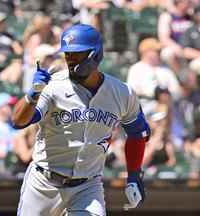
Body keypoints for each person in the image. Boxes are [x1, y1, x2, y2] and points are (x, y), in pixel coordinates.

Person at [11, 24, 150, 216]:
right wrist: (32, 95)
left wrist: (134, 175)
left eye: (76, 54)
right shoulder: (53, 86)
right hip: (44, 183)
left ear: (95, 55)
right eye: (67, 54)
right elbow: (19, 121)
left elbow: (137, 133)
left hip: (87, 186)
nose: (70, 59)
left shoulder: (122, 92)